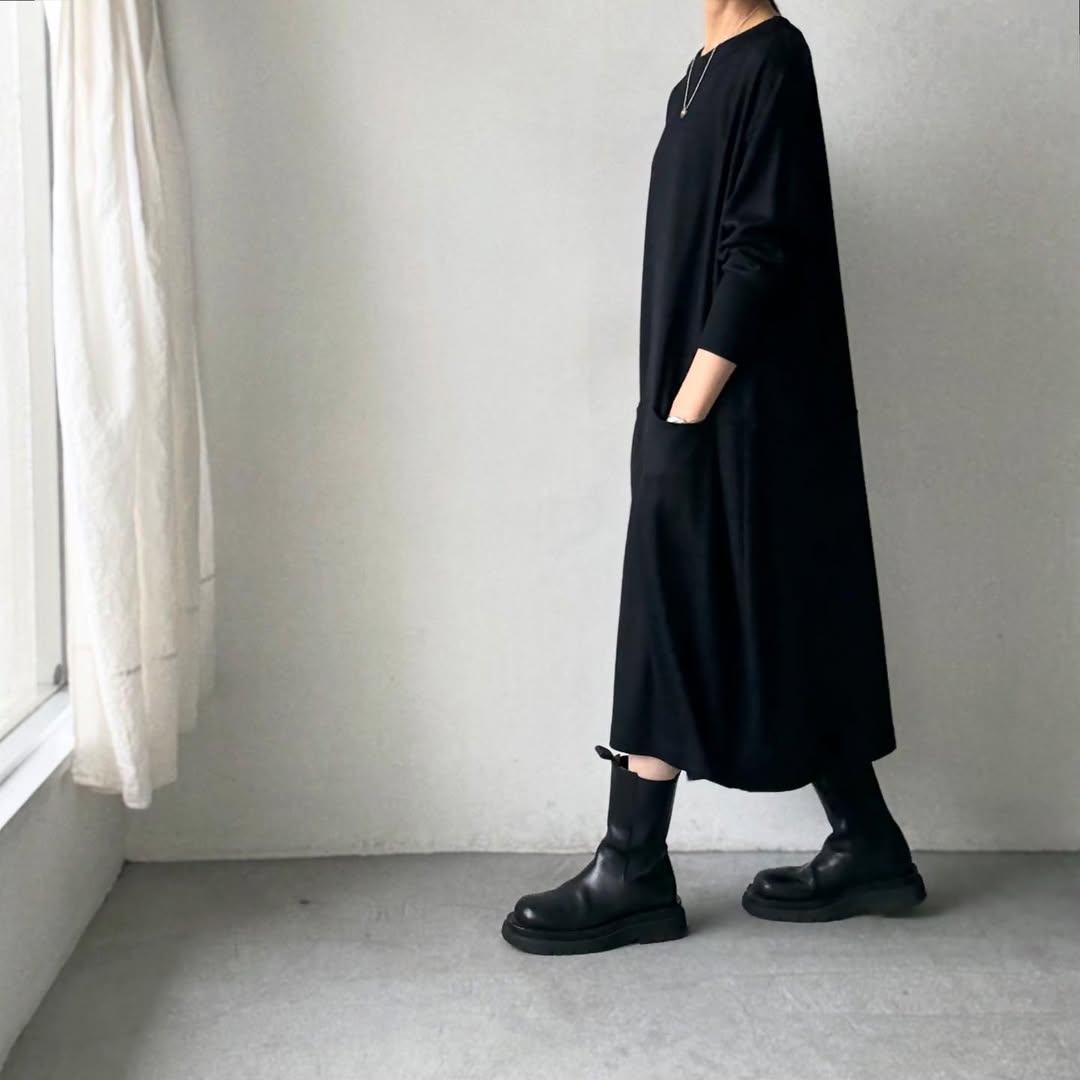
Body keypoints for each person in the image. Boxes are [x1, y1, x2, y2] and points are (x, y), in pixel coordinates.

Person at [501, 0, 927, 955]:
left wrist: (686, 414)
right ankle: (868, 844)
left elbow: (761, 248)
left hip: (744, 410)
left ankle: (633, 864)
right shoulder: (693, 80)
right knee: (783, 615)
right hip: (705, 406)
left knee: (672, 606)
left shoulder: (775, 58)